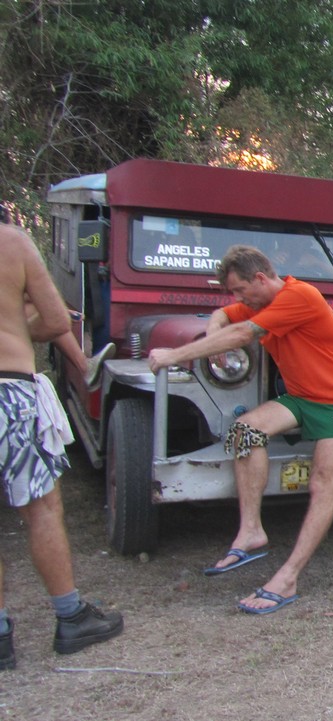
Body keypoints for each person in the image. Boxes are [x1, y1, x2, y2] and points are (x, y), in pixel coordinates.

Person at [147, 245, 333, 614]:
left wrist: (173, 356)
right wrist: (215, 325)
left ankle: (288, 577)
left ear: (261, 279)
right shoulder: (259, 302)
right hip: (302, 398)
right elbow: (224, 316)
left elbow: (242, 334)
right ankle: (251, 531)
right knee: (244, 430)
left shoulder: (299, 295)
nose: (238, 298)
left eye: (240, 290)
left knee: (322, 483)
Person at [0, 221, 124, 670]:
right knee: (42, 508)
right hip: (8, 390)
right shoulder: (11, 241)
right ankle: (71, 617)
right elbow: (56, 320)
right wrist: (17, 325)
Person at [2, 207, 114, 389]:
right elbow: (57, 321)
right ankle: (84, 366)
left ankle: (85, 366)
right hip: (10, 381)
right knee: (48, 315)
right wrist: (17, 331)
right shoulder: (13, 241)